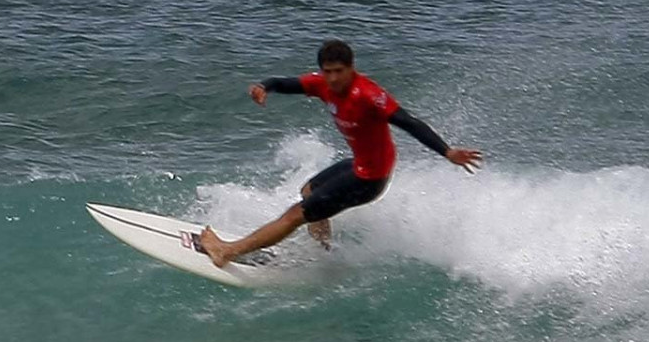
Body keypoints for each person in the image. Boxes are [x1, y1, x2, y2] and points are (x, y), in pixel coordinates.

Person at [200, 40, 482, 268]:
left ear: (351, 69)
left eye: (338, 71)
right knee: (309, 191)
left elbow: (409, 122)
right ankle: (324, 255)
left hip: (370, 179)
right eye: (327, 71)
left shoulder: (369, 95)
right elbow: (285, 83)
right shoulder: (321, 84)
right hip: (359, 165)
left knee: (295, 215)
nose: (333, 78)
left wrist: (447, 152)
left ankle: (227, 252)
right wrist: (264, 86)